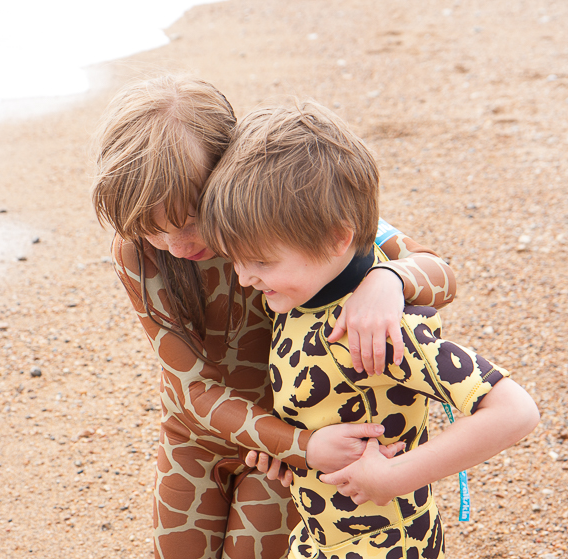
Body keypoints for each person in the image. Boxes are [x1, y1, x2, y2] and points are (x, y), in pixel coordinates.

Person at [91, 74, 458, 559]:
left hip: (288, 438)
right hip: (202, 436)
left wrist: (388, 281)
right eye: (154, 230)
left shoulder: (281, 217)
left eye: (188, 220)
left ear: (231, 168)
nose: (176, 246)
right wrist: (296, 443)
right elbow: (191, 389)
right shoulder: (139, 253)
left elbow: (440, 272)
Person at [198, 100, 540, 559]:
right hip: (319, 535)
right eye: (235, 258)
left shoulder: (375, 327)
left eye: (261, 261)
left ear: (338, 237)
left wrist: (394, 477)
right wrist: (292, 451)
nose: (243, 278)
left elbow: (515, 411)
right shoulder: (301, 296)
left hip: (387, 543)